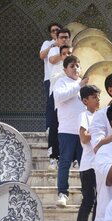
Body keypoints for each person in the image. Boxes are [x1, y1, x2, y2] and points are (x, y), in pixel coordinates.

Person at [53, 55, 87, 207]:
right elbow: (59, 97)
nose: (75, 69)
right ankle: (62, 193)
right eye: (72, 66)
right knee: (65, 162)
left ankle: (87, 193)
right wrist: (79, 87)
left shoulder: (84, 84)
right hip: (67, 130)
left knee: (85, 164)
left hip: (84, 131)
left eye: (78, 66)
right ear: (65, 69)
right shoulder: (61, 82)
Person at [72, 85, 100, 221]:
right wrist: (100, 134)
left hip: (99, 166)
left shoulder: (100, 115)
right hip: (88, 166)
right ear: (85, 100)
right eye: (94, 97)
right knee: (88, 201)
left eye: (98, 97)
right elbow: (84, 138)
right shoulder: (84, 115)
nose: (98, 100)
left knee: (99, 202)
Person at [47, 28, 72, 170]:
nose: (64, 39)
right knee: (54, 127)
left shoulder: (75, 66)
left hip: (71, 102)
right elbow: (55, 81)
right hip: (56, 100)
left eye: (66, 37)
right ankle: (53, 157)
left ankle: (73, 157)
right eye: (61, 37)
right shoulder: (57, 65)